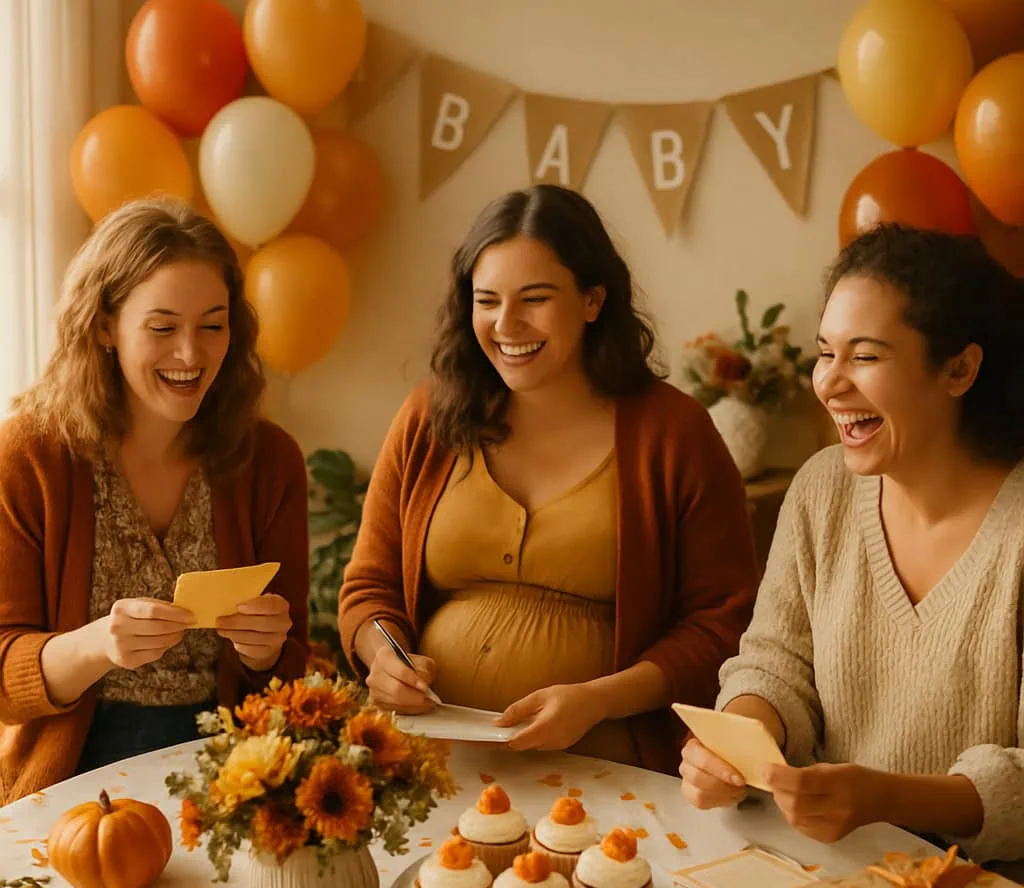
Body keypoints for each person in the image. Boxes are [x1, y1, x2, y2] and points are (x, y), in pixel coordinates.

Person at [339, 184, 759, 773]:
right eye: (486, 301)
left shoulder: (675, 434)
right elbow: (369, 587)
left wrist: (599, 700)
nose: (506, 324)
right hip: (426, 766)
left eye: (534, 298)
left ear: (592, 300)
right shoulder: (428, 419)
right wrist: (384, 657)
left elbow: (723, 622)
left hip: (607, 771)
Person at [679, 224, 1024, 864]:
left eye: (864, 356)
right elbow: (775, 663)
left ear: (960, 368)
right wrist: (740, 739)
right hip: (823, 864)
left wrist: (885, 798)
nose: (830, 383)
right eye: (825, 352)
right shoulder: (821, 488)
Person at [0, 198, 309, 803]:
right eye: (163, 328)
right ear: (104, 326)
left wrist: (269, 649)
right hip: (73, 775)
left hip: (232, 767)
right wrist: (96, 644)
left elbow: (290, 666)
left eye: (213, 325)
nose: (191, 355)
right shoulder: (30, 456)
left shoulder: (270, 460)